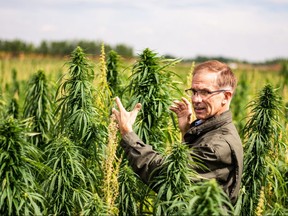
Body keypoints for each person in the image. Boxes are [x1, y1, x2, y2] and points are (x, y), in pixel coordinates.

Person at [112, 60, 243, 204]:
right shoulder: (214, 129)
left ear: (226, 96)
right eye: (194, 91)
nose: (196, 99)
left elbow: (168, 176)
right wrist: (187, 131)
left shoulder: (216, 146)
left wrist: (128, 133)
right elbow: (192, 173)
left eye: (205, 92)